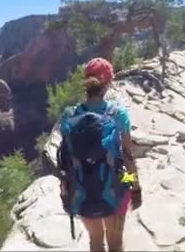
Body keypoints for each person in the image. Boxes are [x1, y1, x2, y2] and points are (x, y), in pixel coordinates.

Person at [57, 57, 142, 252]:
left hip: (82, 191)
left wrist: (65, 193)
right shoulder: (118, 114)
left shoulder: (69, 116)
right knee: (115, 244)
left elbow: (66, 158)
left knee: (95, 242)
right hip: (115, 188)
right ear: (109, 82)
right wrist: (134, 188)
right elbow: (127, 158)